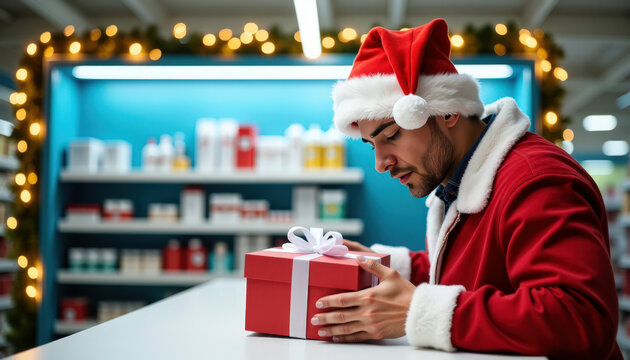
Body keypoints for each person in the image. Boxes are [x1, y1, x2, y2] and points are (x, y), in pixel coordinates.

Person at [308, 18, 622, 359]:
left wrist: (419, 310)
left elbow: (580, 317)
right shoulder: (460, 182)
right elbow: (480, 273)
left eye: (392, 136)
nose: (380, 163)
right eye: (372, 145)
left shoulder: (536, 180)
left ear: (447, 113)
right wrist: (385, 266)